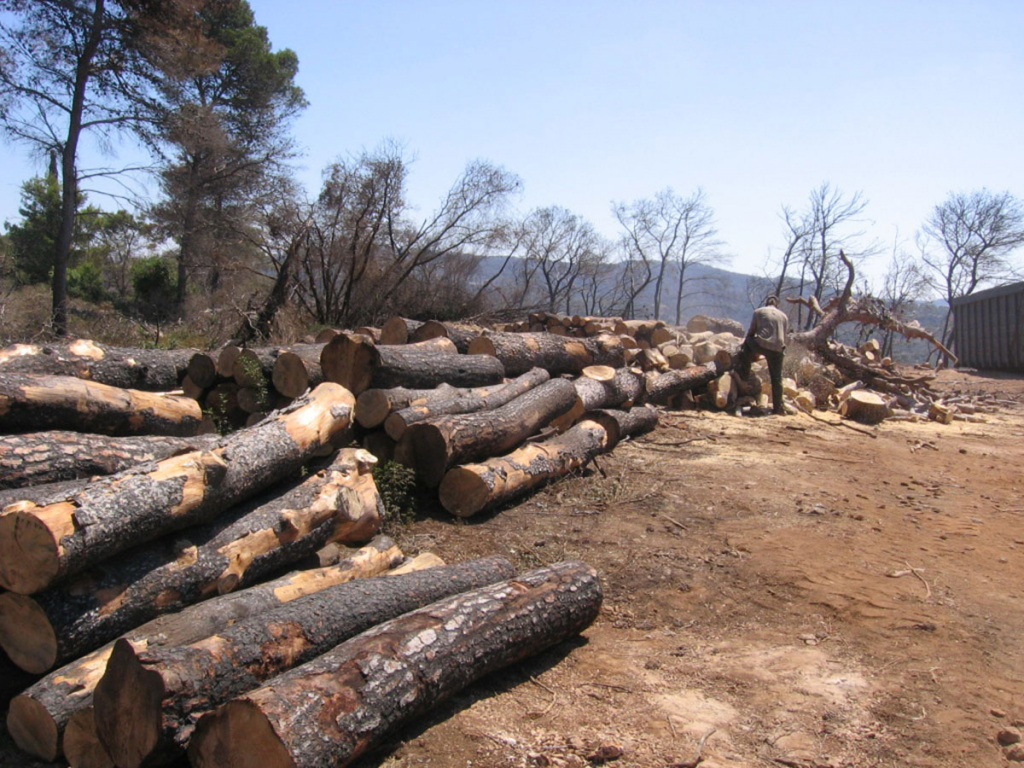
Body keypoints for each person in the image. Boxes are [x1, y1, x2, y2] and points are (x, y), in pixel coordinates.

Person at [735, 295, 789, 415]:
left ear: (766, 303)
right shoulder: (784, 316)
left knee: (748, 340)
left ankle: (744, 374)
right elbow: (784, 337)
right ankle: (778, 408)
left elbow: (752, 331)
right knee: (777, 378)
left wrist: (747, 343)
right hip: (778, 349)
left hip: (761, 345)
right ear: (777, 304)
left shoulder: (758, 312)